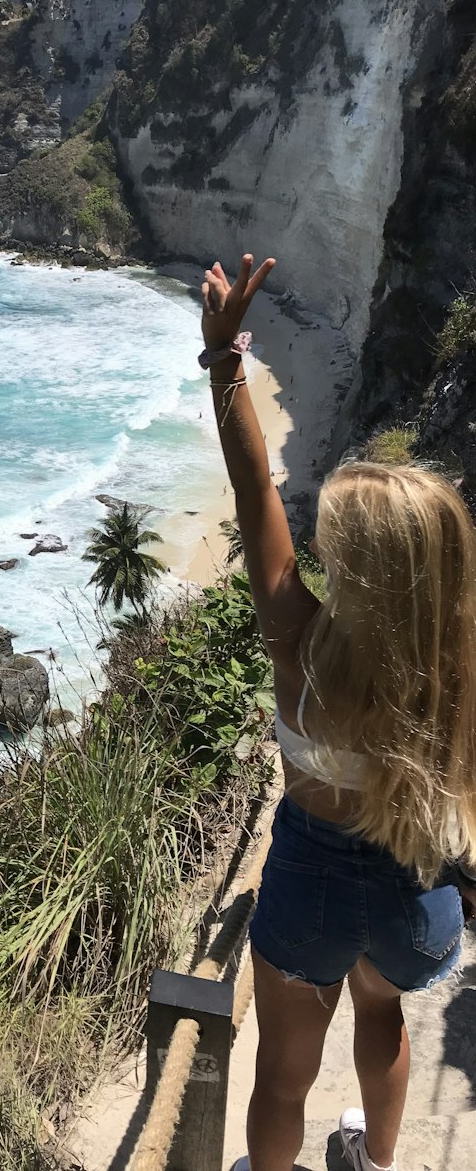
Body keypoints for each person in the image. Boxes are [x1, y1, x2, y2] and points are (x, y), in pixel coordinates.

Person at [200, 255, 476, 1171]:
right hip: (416, 895)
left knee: (282, 1071)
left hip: (311, 885)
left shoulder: (299, 641)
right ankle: (374, 1159)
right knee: (384, 1010)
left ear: (354, 574)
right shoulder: (456, 671)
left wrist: (224, 359)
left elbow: (252, 491)